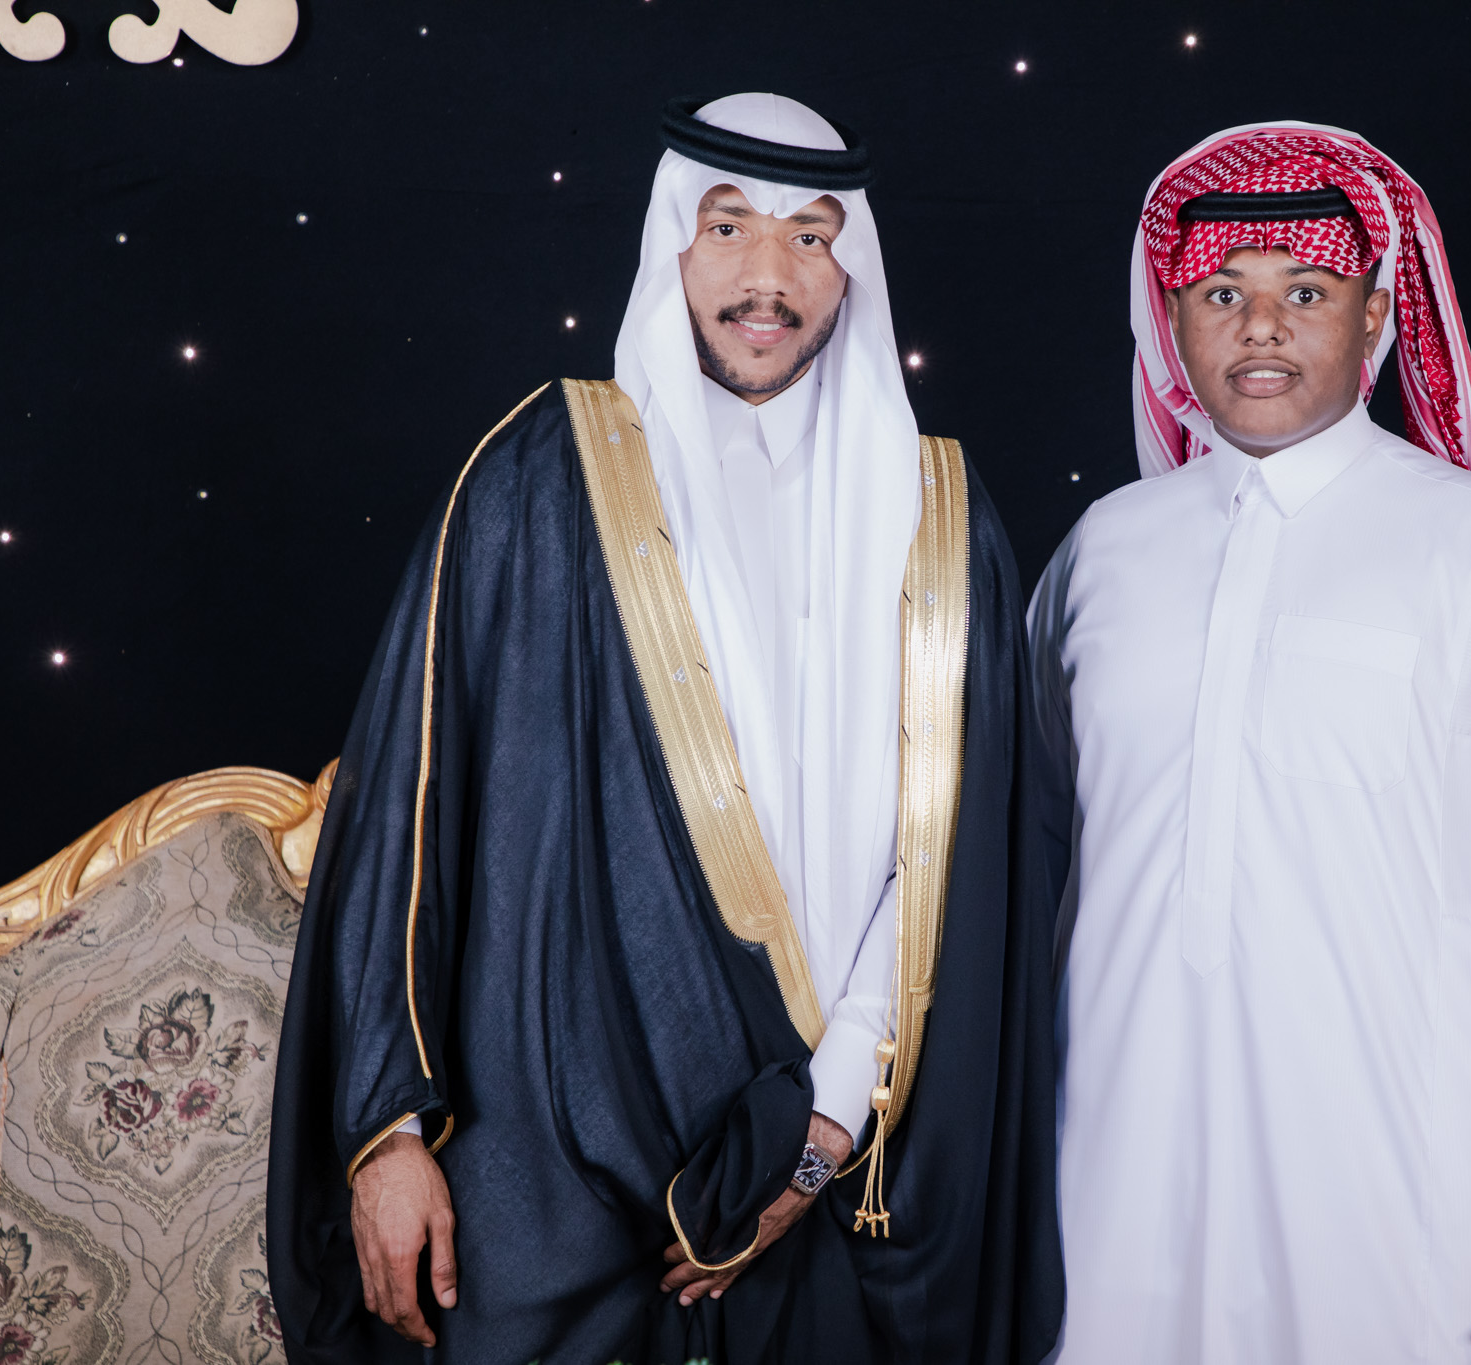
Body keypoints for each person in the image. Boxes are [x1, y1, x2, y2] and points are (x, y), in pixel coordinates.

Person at [268, 92, 1065, 1365]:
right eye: (729, 226)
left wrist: (821, 1132)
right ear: (670, 243)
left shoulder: (941, 519)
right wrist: (390, 1136)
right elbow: (411, 817)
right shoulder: (538, 477)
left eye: (810, 237)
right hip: (548, 1163)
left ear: (851, 266)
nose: (768, 277)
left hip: (841, 1146)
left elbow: (958, 867)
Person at [1028, 122, 1471, 1363]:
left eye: (1305, 293)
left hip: (1408, 1174)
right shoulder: (1103, 549)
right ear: (1172, 321)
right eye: (1221, 294)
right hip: (1115, 1162)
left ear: (1373, 320)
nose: (1260, 328)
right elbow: (1031, 846)